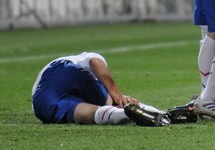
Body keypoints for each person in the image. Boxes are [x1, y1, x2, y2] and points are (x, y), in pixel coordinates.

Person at [32, 52, 168, 126]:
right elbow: (94, 60)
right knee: (111, 101)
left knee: (91, 114)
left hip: (40, 103)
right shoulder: (80, 58)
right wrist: (116, 93)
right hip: (61, 69)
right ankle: (157, 112)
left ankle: (125, 114)